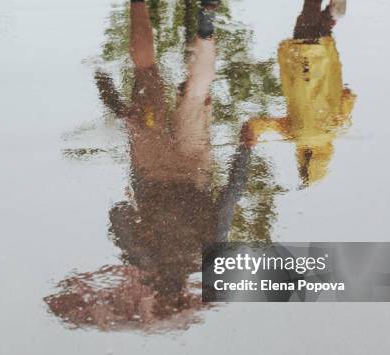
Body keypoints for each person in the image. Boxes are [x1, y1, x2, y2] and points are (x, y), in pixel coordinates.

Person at [46, 0, 261, 331]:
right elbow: (118, 212)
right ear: (154, 290)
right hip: (151, 165)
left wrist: (245, 149)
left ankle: (205, 25)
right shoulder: (139, 255)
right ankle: (139, 3)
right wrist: (136, 244)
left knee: (196, 93)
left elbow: (230, 197)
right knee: (146, 72)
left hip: (193, 167)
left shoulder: (204, 256)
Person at [243, 0, 355, 186]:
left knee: (322, 31)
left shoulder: (335, 130)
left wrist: (340, 93)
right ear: (304, 161)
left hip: (325, 63)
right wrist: (250, 135)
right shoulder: (296, 135)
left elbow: (349, 97)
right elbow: (263, 124)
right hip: (304, 65)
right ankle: (331, 15)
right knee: (308, 16)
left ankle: (331, 16)